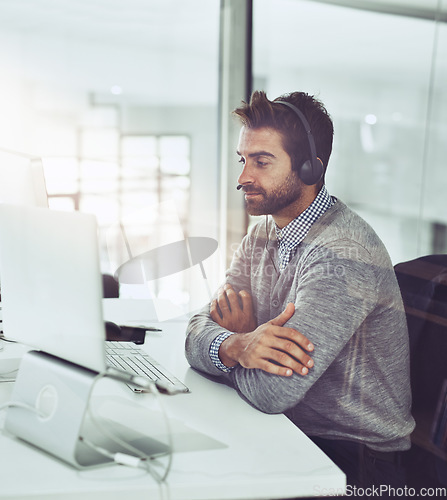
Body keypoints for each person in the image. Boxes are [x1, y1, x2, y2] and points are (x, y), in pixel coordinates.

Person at [185, 90, 415, 489]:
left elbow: (273, 391)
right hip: (289, 430)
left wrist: (228, 345)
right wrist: (238, 345)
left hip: (354, 459)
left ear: (310, 168)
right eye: (243, 160)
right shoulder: (262, 235)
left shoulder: (344, 255)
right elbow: (193, 331)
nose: (242, 178)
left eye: (261, 161)